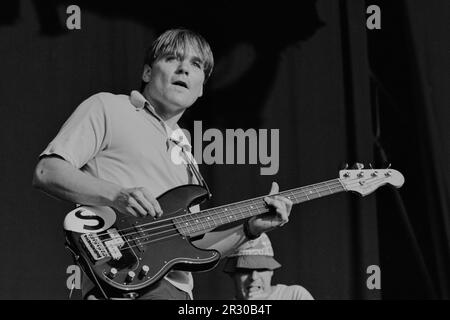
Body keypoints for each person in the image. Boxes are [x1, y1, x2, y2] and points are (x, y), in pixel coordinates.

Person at [32, 28, 293, 300]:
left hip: (177, 294)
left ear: (201, 87)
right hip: (120, 285)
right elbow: (46, 171)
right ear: (147, 73)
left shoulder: (187, 156)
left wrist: (250, 229)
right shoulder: (109, 108)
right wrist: (117, 194)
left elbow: (195, 244)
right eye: (172, 59)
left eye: (196, 65)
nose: (184, 69)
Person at [223, 233, 314, 300]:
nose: (254, 277)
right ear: (232, 274)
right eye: (245, 270)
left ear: (271, 271)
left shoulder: (294, 295)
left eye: (261, 269)